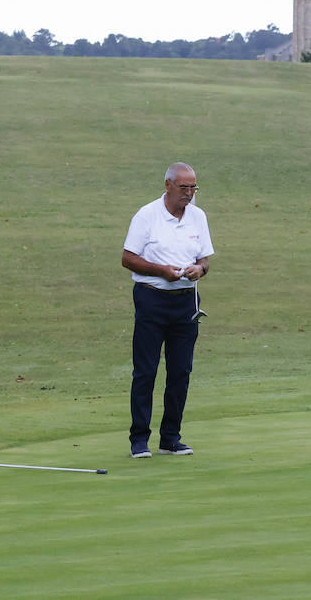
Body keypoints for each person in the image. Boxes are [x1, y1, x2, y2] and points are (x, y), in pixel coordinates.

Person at [121, 162, 213, 459]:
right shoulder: (147, 215)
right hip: (152, 299)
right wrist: (161, 271)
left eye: (193, 188)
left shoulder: (198, 217)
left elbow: (205, 261)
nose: (189, 193)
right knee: (145, 371)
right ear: (168, 185)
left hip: (187, 302)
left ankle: (171, 438)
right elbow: (128, 258)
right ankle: (139, 439)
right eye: (184, 187)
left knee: (181, 371)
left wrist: (198, 270)